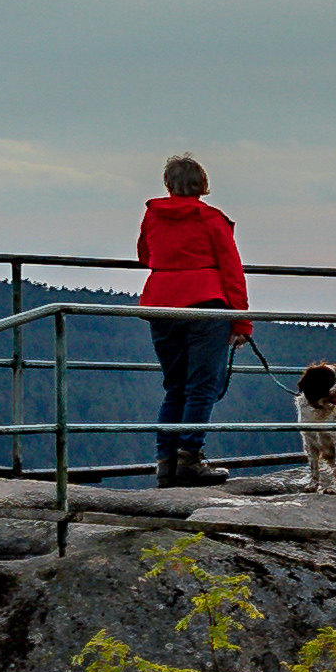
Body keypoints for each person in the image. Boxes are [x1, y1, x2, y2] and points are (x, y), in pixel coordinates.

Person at [135, 154, 250, 485]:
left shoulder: (152, 216)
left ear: (168, 184)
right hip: (204, 305)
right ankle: (190, 458)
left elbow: (146, 256)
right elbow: (231, 271)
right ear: (202, 184)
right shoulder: (211, 220)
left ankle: (165, 461)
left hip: (161, 304)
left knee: (175, 386)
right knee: (202, 386)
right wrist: (241, 321)